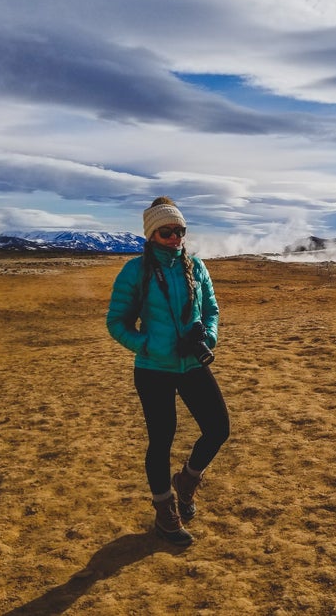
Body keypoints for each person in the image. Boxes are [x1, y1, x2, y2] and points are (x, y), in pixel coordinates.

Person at [107, 196, 229, 546]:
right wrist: (148, 345)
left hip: (191, 364)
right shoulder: (136, 271)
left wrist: (208, 335)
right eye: (166, 232)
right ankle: (165, 514)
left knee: (218, 428)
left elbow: (212, 311)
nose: (175, 237)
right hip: (153, 368)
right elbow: (116, 322)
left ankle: (187, 480)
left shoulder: (196, 266)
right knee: (161, 441)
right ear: (151, 235)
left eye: (179, 230)